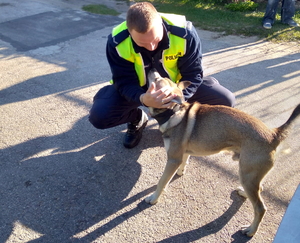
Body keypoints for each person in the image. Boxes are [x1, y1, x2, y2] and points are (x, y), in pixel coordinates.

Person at [89, 2, 235, 149]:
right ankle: (137, 119)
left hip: (176, 88)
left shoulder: (184, 33)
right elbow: (124, 81)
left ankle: (185, 124)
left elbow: (193, 74)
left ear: (160, 22)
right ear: (129, 31)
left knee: (225, 100)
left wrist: (176, 98)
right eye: (142, 43)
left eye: (156, 39)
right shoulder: (117, 42)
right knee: (100, 116)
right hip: (138, 90)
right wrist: (144, 99)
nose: (151, 47)